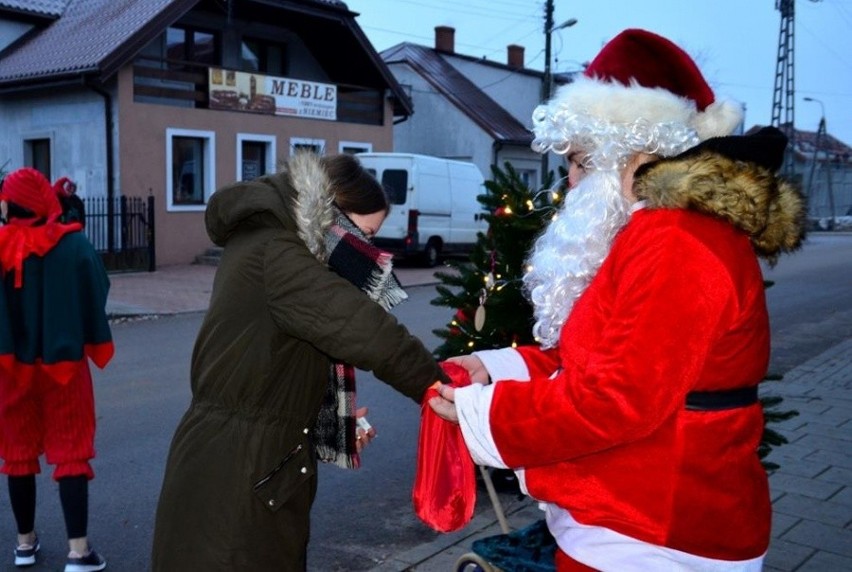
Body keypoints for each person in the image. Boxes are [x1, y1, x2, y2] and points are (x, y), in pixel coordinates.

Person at [429, 29, 805, 571]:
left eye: (581, 162)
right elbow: (601, 361)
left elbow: (616, 400)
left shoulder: (678, 239)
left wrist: (481, 414)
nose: (572, 184)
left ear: (631, 149)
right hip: (636, 518)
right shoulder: (655, 230)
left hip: (656, 533)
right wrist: (494, 371)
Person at [151, 152, 449, 570]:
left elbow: (278, 363)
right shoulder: (278, 251)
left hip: (243, 462)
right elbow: (367, 332)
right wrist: (442, 388)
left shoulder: (273, 242)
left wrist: (327, 425)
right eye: (364, 234)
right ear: (331, 216)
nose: (367, 249)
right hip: (236, 474)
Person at [0, 167, 114, 571]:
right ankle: (78, 552)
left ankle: (25, 544)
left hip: (12, 370)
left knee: (17, 454)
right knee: (70, 454)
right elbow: (98, 288)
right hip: (63, 368)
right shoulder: (74, 244)